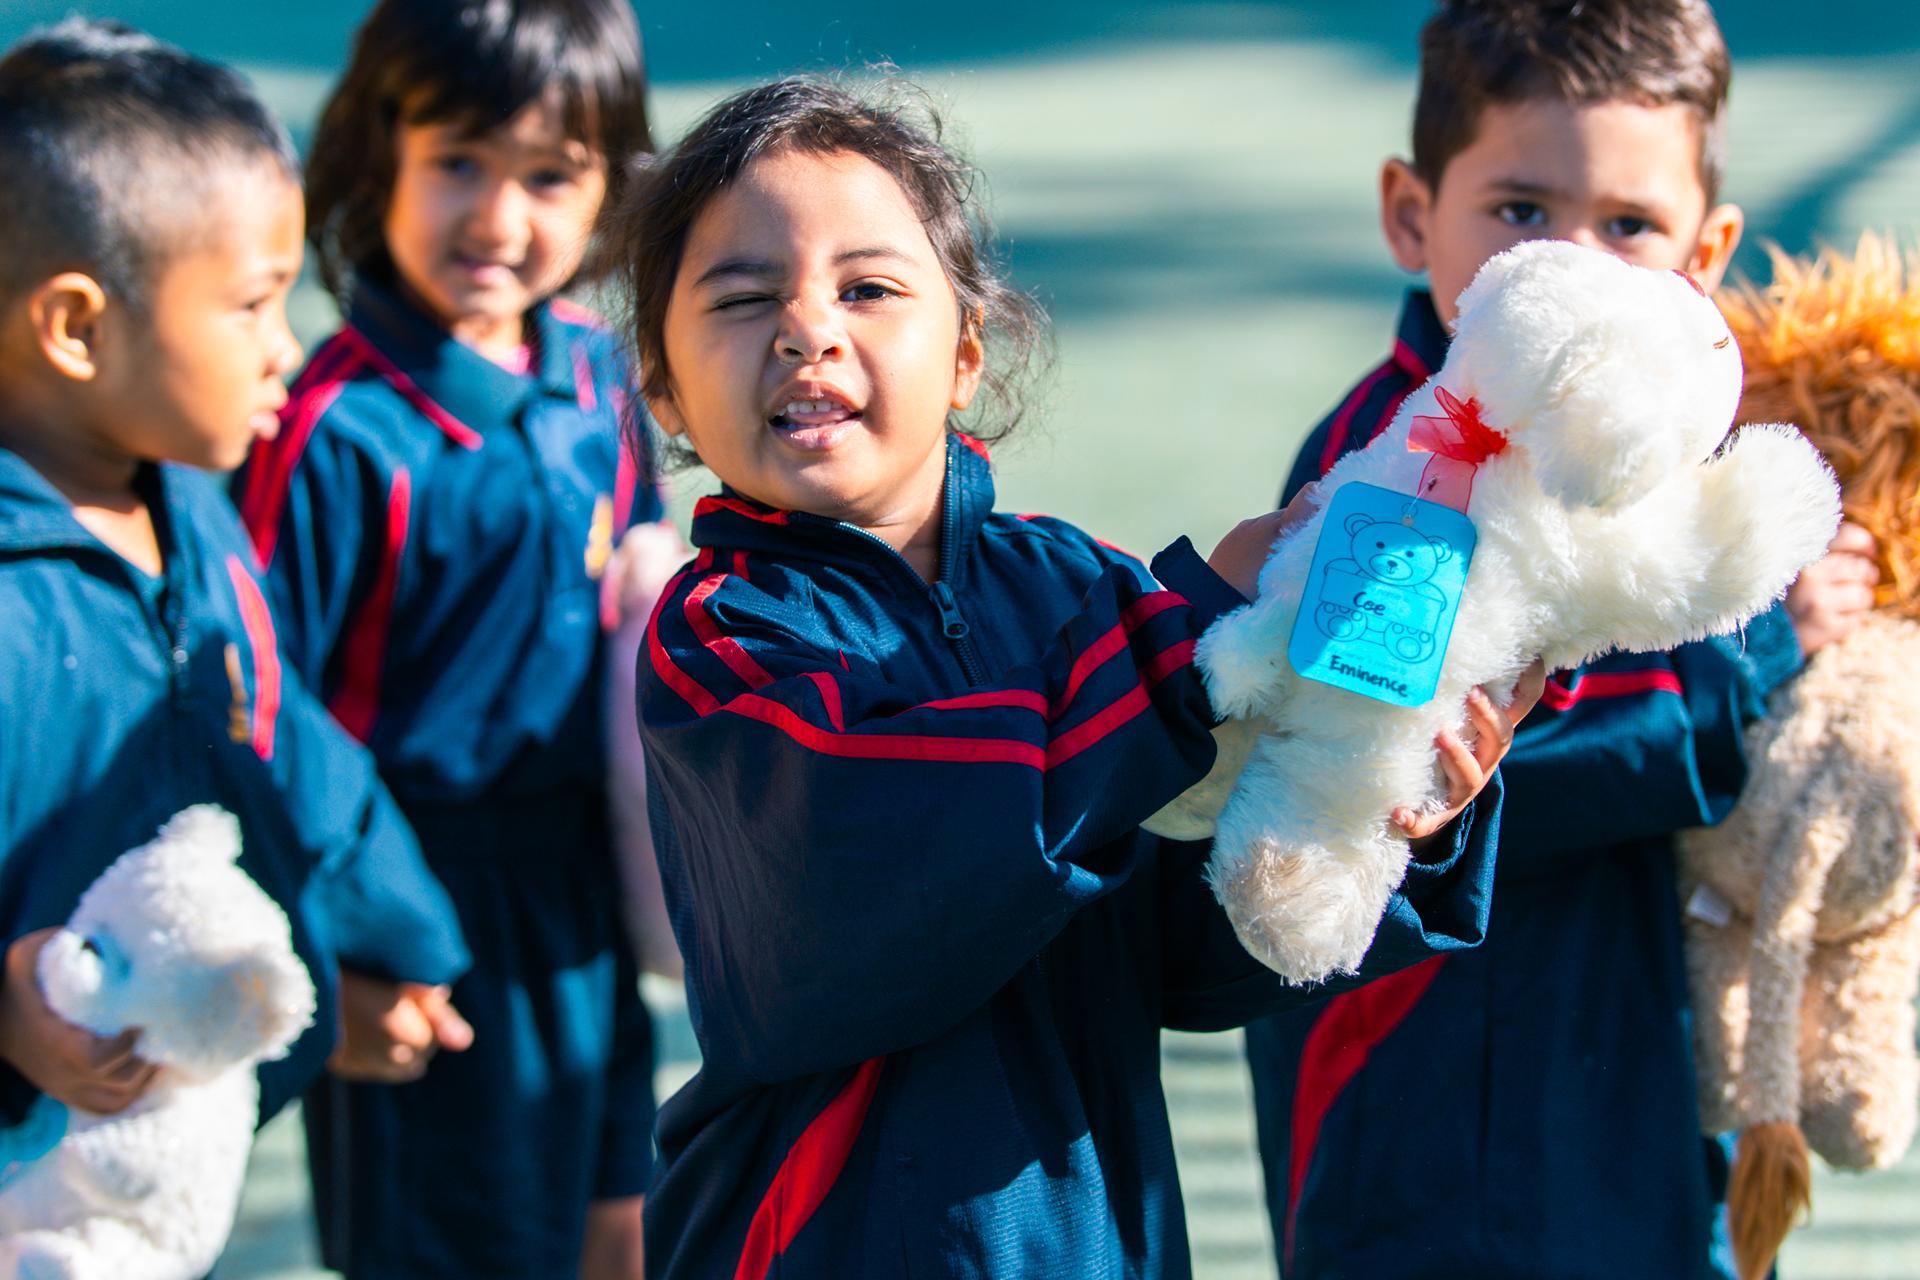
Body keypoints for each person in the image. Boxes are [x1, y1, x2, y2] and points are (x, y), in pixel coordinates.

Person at [623, 77, 1543, 1279]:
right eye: (745, 298)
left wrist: (1378, 809)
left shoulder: (1077, 588)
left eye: (867, 289)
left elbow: (1186, 943)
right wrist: (1179, 649)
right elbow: (883, 836)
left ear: (965, 353)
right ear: (662, 385)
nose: (809, 330)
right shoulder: (719, 637)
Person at [1249, 4, 1881, 1276]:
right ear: (1413, 215)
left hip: (1638, 1059)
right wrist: (1755, 660)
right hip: (1427, 1112)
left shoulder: (1669, 454)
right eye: (1522, 212)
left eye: (1630, 227)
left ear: (1708, 251)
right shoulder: (1398, 464)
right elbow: (1423, 765)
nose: (1575, 269)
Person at [229, 1, 663, 1275]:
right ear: (381, 156)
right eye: (460, 161)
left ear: (612, 185)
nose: (499, 217)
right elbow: (261, 715)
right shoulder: (331, 429)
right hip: (419, 909)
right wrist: (340, 956)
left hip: (585, 888)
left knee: (625, 1223)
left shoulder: (600, 377)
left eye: (550, 175)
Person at [0, 18, 469, 1167]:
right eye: (253, 304)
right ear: (76, 327)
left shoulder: (192, 508)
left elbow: (286, 743)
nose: (285, 347)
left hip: (172, 1152)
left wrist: (388, 944)